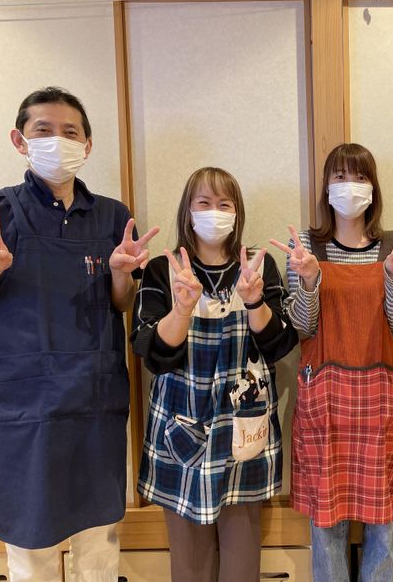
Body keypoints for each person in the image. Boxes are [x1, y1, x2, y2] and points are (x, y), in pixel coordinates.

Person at [0, 87, 158, 581]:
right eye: (43, 130)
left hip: (93, 401)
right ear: (19, 140)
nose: (58, 141)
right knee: (32, 549)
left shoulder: (112, 216)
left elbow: (122, 304)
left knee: (98, 545)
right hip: (22, 408)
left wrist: (121, 273)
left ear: (87, 145)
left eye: (70, 132)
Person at [131, 166, 297, 581]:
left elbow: (279, 345)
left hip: (244, 430)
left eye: (225, 204)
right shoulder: (163, 269)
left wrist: (255, 301)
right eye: (204, 203)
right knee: (189, 564)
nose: (215, 212)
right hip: (180, 431)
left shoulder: (257, 266)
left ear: (237, 213)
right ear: (188, 211)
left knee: (242, 562)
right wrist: (182, 309)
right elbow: (154, 355)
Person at [269, 143, 393, 582]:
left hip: (382, 399)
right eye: (340, 176)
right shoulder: (305, 247)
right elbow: (302, 326)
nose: (349, 185)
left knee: (383, 525)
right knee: (326, 524)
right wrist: (309, 280)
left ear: (373, 188)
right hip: (326, 399)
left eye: (359, 176)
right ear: (326, 186)